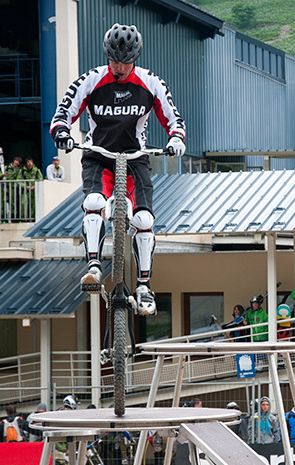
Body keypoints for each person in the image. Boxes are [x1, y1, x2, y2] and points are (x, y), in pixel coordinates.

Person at [51, 24, 186, 316]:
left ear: (135, 57)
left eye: (125, 61)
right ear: (107, 56)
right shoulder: (91, 79)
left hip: (135, 157)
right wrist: (61, 131)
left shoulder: (151, 83)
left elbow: (174, 118)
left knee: (144, 218)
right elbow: (63, 112)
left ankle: (145, 286)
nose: (119, 67)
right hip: (98, 155)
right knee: (94, 202)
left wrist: (176, 138)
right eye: (114, 60)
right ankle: (94, 267)